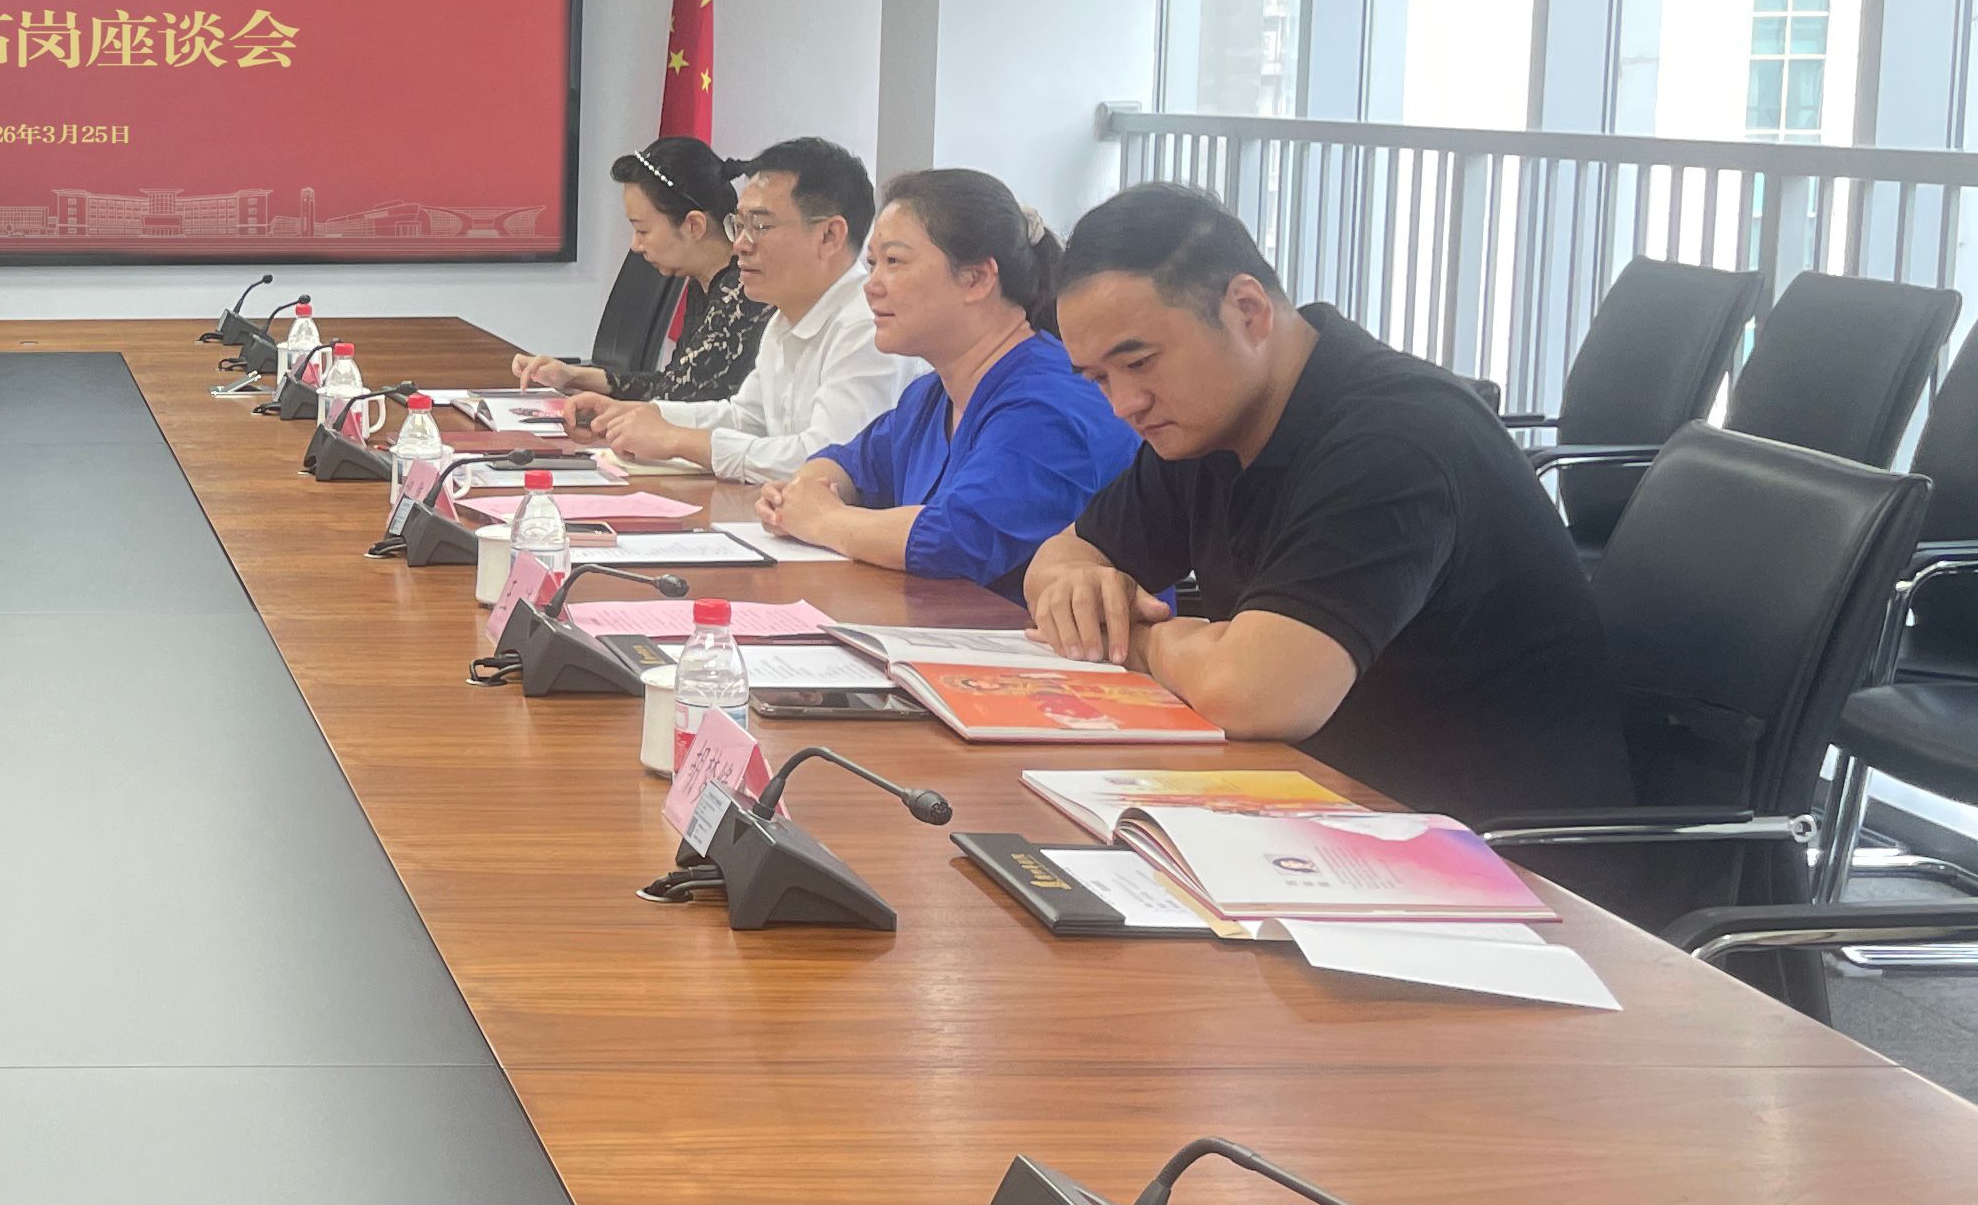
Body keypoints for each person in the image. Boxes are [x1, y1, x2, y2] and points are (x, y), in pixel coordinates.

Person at [1022, 184, 1630, 821]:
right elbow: (1060, 558)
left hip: (1487, 847)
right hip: (1323, 802)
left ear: (1248, 310)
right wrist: (1079, 590)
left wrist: (1137, 640)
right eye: (1099, 379)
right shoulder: (1206, 423)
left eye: (1140, 363)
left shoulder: (1397, 439)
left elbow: (1257, 693)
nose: (1124, 404)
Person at [763, 168, 1136, 593]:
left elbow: (955, 540)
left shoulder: (1051, 401)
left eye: (894, 262)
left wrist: (821, 518)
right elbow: (851, 463)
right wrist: (803, 491)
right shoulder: (931, 395)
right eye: (872, 264)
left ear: (977, 278)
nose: (871, 286)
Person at [576, 135, 921, 483]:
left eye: (760, 226)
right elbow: (746, 419)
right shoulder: (784, 318)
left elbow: (828, 462)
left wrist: (680, 440)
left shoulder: (868, 327)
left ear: (829, 236)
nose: (740, 244)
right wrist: (642, 414)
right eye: (739, 225)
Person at [508, 137, 761, 407]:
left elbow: (678, 400)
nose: (635, 245)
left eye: (642, 230)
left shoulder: (744, 294)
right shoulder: (707, 282)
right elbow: (672, 382)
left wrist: (603, 406)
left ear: (693, 226)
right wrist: (572, 376)